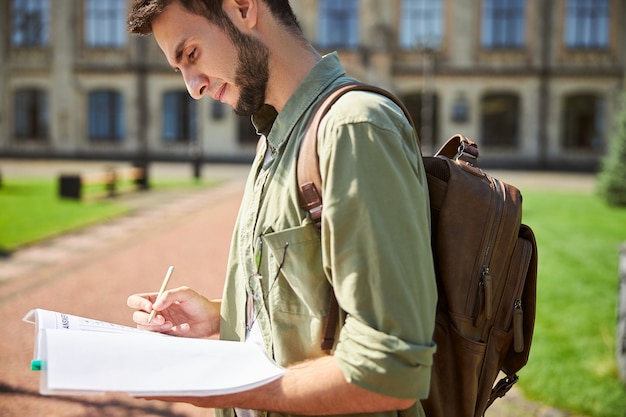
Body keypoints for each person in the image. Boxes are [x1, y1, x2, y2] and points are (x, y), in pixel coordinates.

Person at [125, 1, 437, 416]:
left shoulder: (353, 129)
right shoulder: (274, 138)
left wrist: (227, 389)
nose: (192, 87)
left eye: (192, 55)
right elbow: (315, 301)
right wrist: (222, 315)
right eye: (179, 68)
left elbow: (389, 372)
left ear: (242, 8)